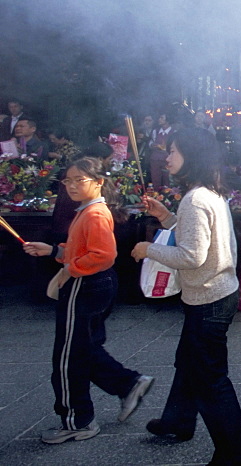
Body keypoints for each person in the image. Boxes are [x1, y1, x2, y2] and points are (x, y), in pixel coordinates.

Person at [130, 128, 241, 465]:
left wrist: (148, 249)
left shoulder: (196, 198)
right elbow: (195, 237)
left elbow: (192, 256)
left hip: (208, 298)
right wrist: (163, 216)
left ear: (191, 156)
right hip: (218, 291)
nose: (167, 157)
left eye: (173, 151)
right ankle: (177, 420)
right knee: (188, 362)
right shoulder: (207, 194)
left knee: (211, 379)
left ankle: (234, 453)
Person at [22, 156, 154, 444]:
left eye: (79, 180)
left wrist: (70, 268)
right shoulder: (90, 210)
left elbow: (102, 255)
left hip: (86, 285)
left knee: (68, 356)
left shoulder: (94, 214)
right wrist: (53, 251)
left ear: (98, 182)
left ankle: (77, 420)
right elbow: (84, 248)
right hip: (97, 284)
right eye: (67, 180)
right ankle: (128, 383)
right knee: (85, 347)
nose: (71, 185)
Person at [148, 113, 174, 188]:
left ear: (168, 120)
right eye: (159, 118)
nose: (159, 119)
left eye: (162, 118)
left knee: (167, 180)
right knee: (155, 179)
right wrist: (152, 145)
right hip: (155, 159)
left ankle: (166, 197)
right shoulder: (155, 131)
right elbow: (151, 142)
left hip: (167, 159)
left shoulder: (173, 132)